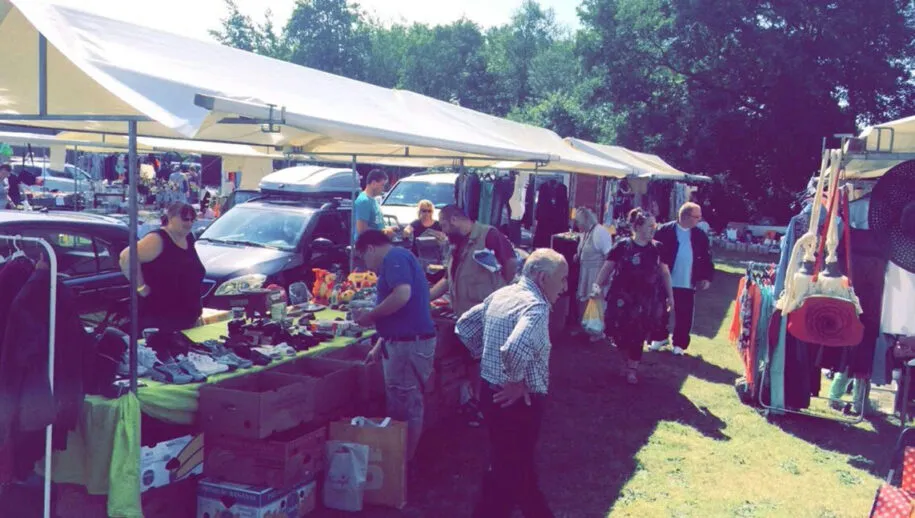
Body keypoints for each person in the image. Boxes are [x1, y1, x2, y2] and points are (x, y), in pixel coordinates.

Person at [455, 248, 567, 518]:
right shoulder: (536, 307)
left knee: (505, 463)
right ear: (542, 278)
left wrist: (486, 357)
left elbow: (464, 326)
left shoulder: (502, 294)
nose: (565, 287)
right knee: (518, 470)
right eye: (562, 279)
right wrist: (517, 382)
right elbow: (514, 348)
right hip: (517, 403)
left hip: (491, 393)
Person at [353, 229, 435, 461]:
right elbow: (402, 312)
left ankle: (402, 464)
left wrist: (370, 316)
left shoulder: (394, 257)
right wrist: (380, 344)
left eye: (363, 257)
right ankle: (400, 461)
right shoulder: (399, 256)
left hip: (409, 345)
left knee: (405, 407)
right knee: (402, 404)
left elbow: (402, 295)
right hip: (403, 342)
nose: (367, 265)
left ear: (370, 249)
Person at [593, 208, 674, 384]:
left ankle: (632, 368)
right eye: (649, 226)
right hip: (620, 298)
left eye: (654, 225)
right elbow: (607, 268)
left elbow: (665, 273)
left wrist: (670, 296)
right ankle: (625, 360)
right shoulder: (622, 246)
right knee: (616, 331)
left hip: (645, 300)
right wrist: (597, 286)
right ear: (637, 227)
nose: (653, 229)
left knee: (639, 333)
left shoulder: (657, 248)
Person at [119, 202, 206, 333]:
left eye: (192, 219)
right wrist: (140, 287)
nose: (189, 223)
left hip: (186, 320)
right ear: (170, 217)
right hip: (160, 321)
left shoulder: (188, 238)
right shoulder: (158, 239)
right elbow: (126, 257)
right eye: (184, 219)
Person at [649, 202, 714, 356]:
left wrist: (706, 277)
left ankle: (679, 344)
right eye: (696, 217)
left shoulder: (700, 235)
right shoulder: (664, 231)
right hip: (665, 280)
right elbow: (653, 253)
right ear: (685, 216)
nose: (699, 220)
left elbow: (707, 257)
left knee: (684, 314)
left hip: (687, 282)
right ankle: (659, 337)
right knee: (660, 311)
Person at [430, 205, 516, 317]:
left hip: (487, 314)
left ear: (454, 220)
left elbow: (511, 263)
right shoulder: (456, 244)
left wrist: (501, 284)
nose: (443, 231)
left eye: (444, 225)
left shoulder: (488, 235)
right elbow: (447, 279)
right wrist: (425, 297)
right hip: (465, 315)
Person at [573, 207, 613, 340]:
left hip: (596, 273)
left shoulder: (600, 232)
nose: (577, 225)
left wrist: (605, 277)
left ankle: (598, 331)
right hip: (585, 272)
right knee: (584, 300)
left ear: (585, 220)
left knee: (597, 302)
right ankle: (585, 327)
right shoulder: (584, 233)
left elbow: (609, 256)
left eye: (578, 222)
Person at [354, 169, 389, 242]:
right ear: (373, 183)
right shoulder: (364, 201)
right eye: (382, 185)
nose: (383, 188)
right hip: (368, 246)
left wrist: (387, 230)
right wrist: (384, 233)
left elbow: (376, 224)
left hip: (376, 243)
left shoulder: (373, 200)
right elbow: (362, 231)